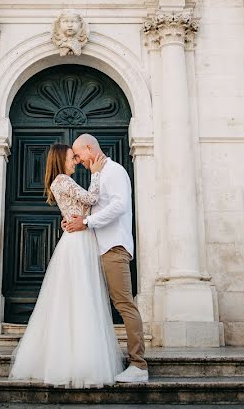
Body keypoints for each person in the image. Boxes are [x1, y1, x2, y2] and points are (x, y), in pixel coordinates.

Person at [9, 143, 124, 388]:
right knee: (80, 298)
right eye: (72, 158)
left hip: (80, 238)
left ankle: (79, 357)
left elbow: (83, 206)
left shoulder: (60, 182)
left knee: (80, 298)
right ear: (62, 160)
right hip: (78, 243)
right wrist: (96, 171)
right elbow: (91, 199)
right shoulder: (62, 180)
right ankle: (78, 361)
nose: (76, 162)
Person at [64, 133, 148, 383]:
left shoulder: (115, 171)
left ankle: (139, 365)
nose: (77, 161)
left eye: (78, 155)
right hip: (98, 248)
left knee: (124, 304)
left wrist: (86, 222)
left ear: (90, 149)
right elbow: (92, 204)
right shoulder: (99, 174)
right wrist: (73, 221)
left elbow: (120, 205)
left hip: (114, 247)